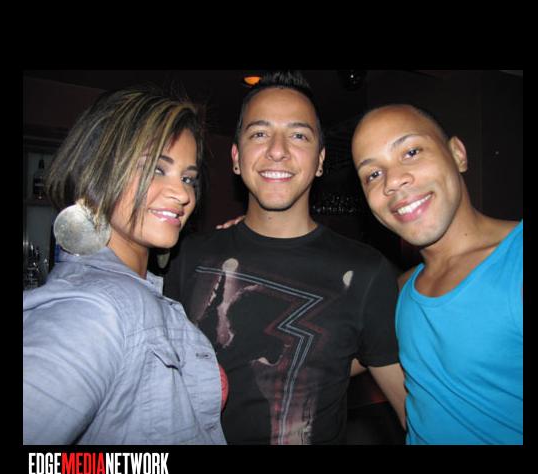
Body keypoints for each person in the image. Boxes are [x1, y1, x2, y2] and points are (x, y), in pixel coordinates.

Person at [164, 71, 406, 445]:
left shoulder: (366, 272)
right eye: (259, 134)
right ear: (236, 157)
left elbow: (417, 415)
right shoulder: (185, 256)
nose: (277, 150)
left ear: (321, 160)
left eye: (298, 136)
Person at [23, 85, 227, 445]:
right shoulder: (92, 311)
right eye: (156, 169)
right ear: (98, 173)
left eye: (188, 178)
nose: (183, 194)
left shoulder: (137, 289)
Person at [351, 104, 523, 444]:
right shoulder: (401, 291)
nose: (393, 181)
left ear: (458, 154)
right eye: (373, 174)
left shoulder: (516, 262)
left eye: (411, 152)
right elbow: (322, 355)